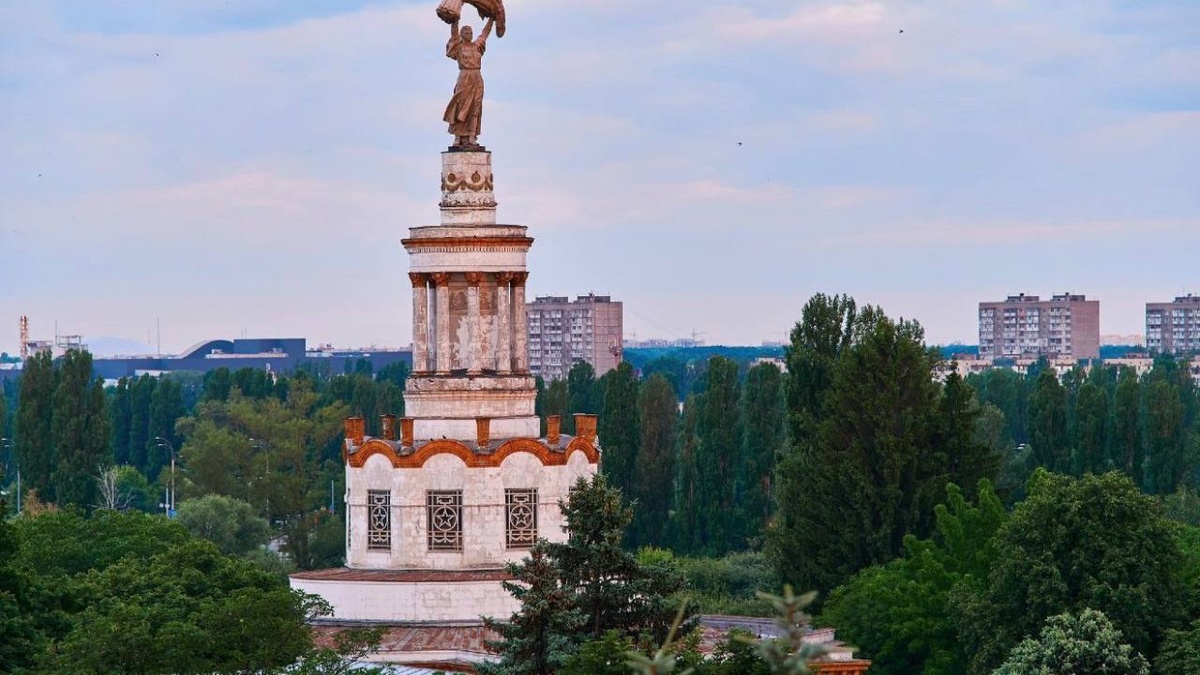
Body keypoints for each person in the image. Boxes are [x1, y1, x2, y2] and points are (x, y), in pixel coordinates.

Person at [443, 17, 494, 148]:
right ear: (462, 35)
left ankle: (471, 135)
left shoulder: (477, 46)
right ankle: (458, 136)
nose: (470, 35)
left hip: (477, 77)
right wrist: (455, 20)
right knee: (460, 105)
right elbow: (454, 33)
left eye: (471, 32)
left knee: (475, 108)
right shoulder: (458, 47)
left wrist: (492, 19)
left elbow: (485, 33)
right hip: (464, 77)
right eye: (466, 33)